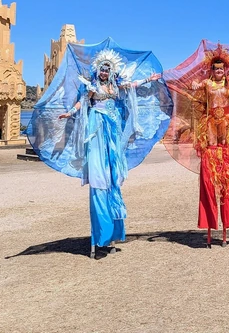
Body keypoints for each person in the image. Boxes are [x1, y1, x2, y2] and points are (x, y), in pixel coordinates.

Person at [56, 48, 161, 258]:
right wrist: (70, 112)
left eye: (107, 69)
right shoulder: (92, 86)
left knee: (112, 174)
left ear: (111, 71)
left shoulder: (115, 85)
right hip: (97, 127)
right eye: (102, 69)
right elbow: (82, 102)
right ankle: (100, 235)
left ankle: (111, 232)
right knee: (98, 175)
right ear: (98, 70)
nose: (104, 73)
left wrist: (148, 79)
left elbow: (131, 86)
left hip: (112, 129)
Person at [191, 50, 229, 248]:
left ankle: (225, 226)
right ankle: (209, 225)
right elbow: (196, 88)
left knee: (225, 172)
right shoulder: (207, 83)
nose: (219, 72)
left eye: (222, 69)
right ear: (212, 70)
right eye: (216, 69)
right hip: (211, 123)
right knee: (211, 157)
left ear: (225, 70)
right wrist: (195, 85)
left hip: (226, 123)